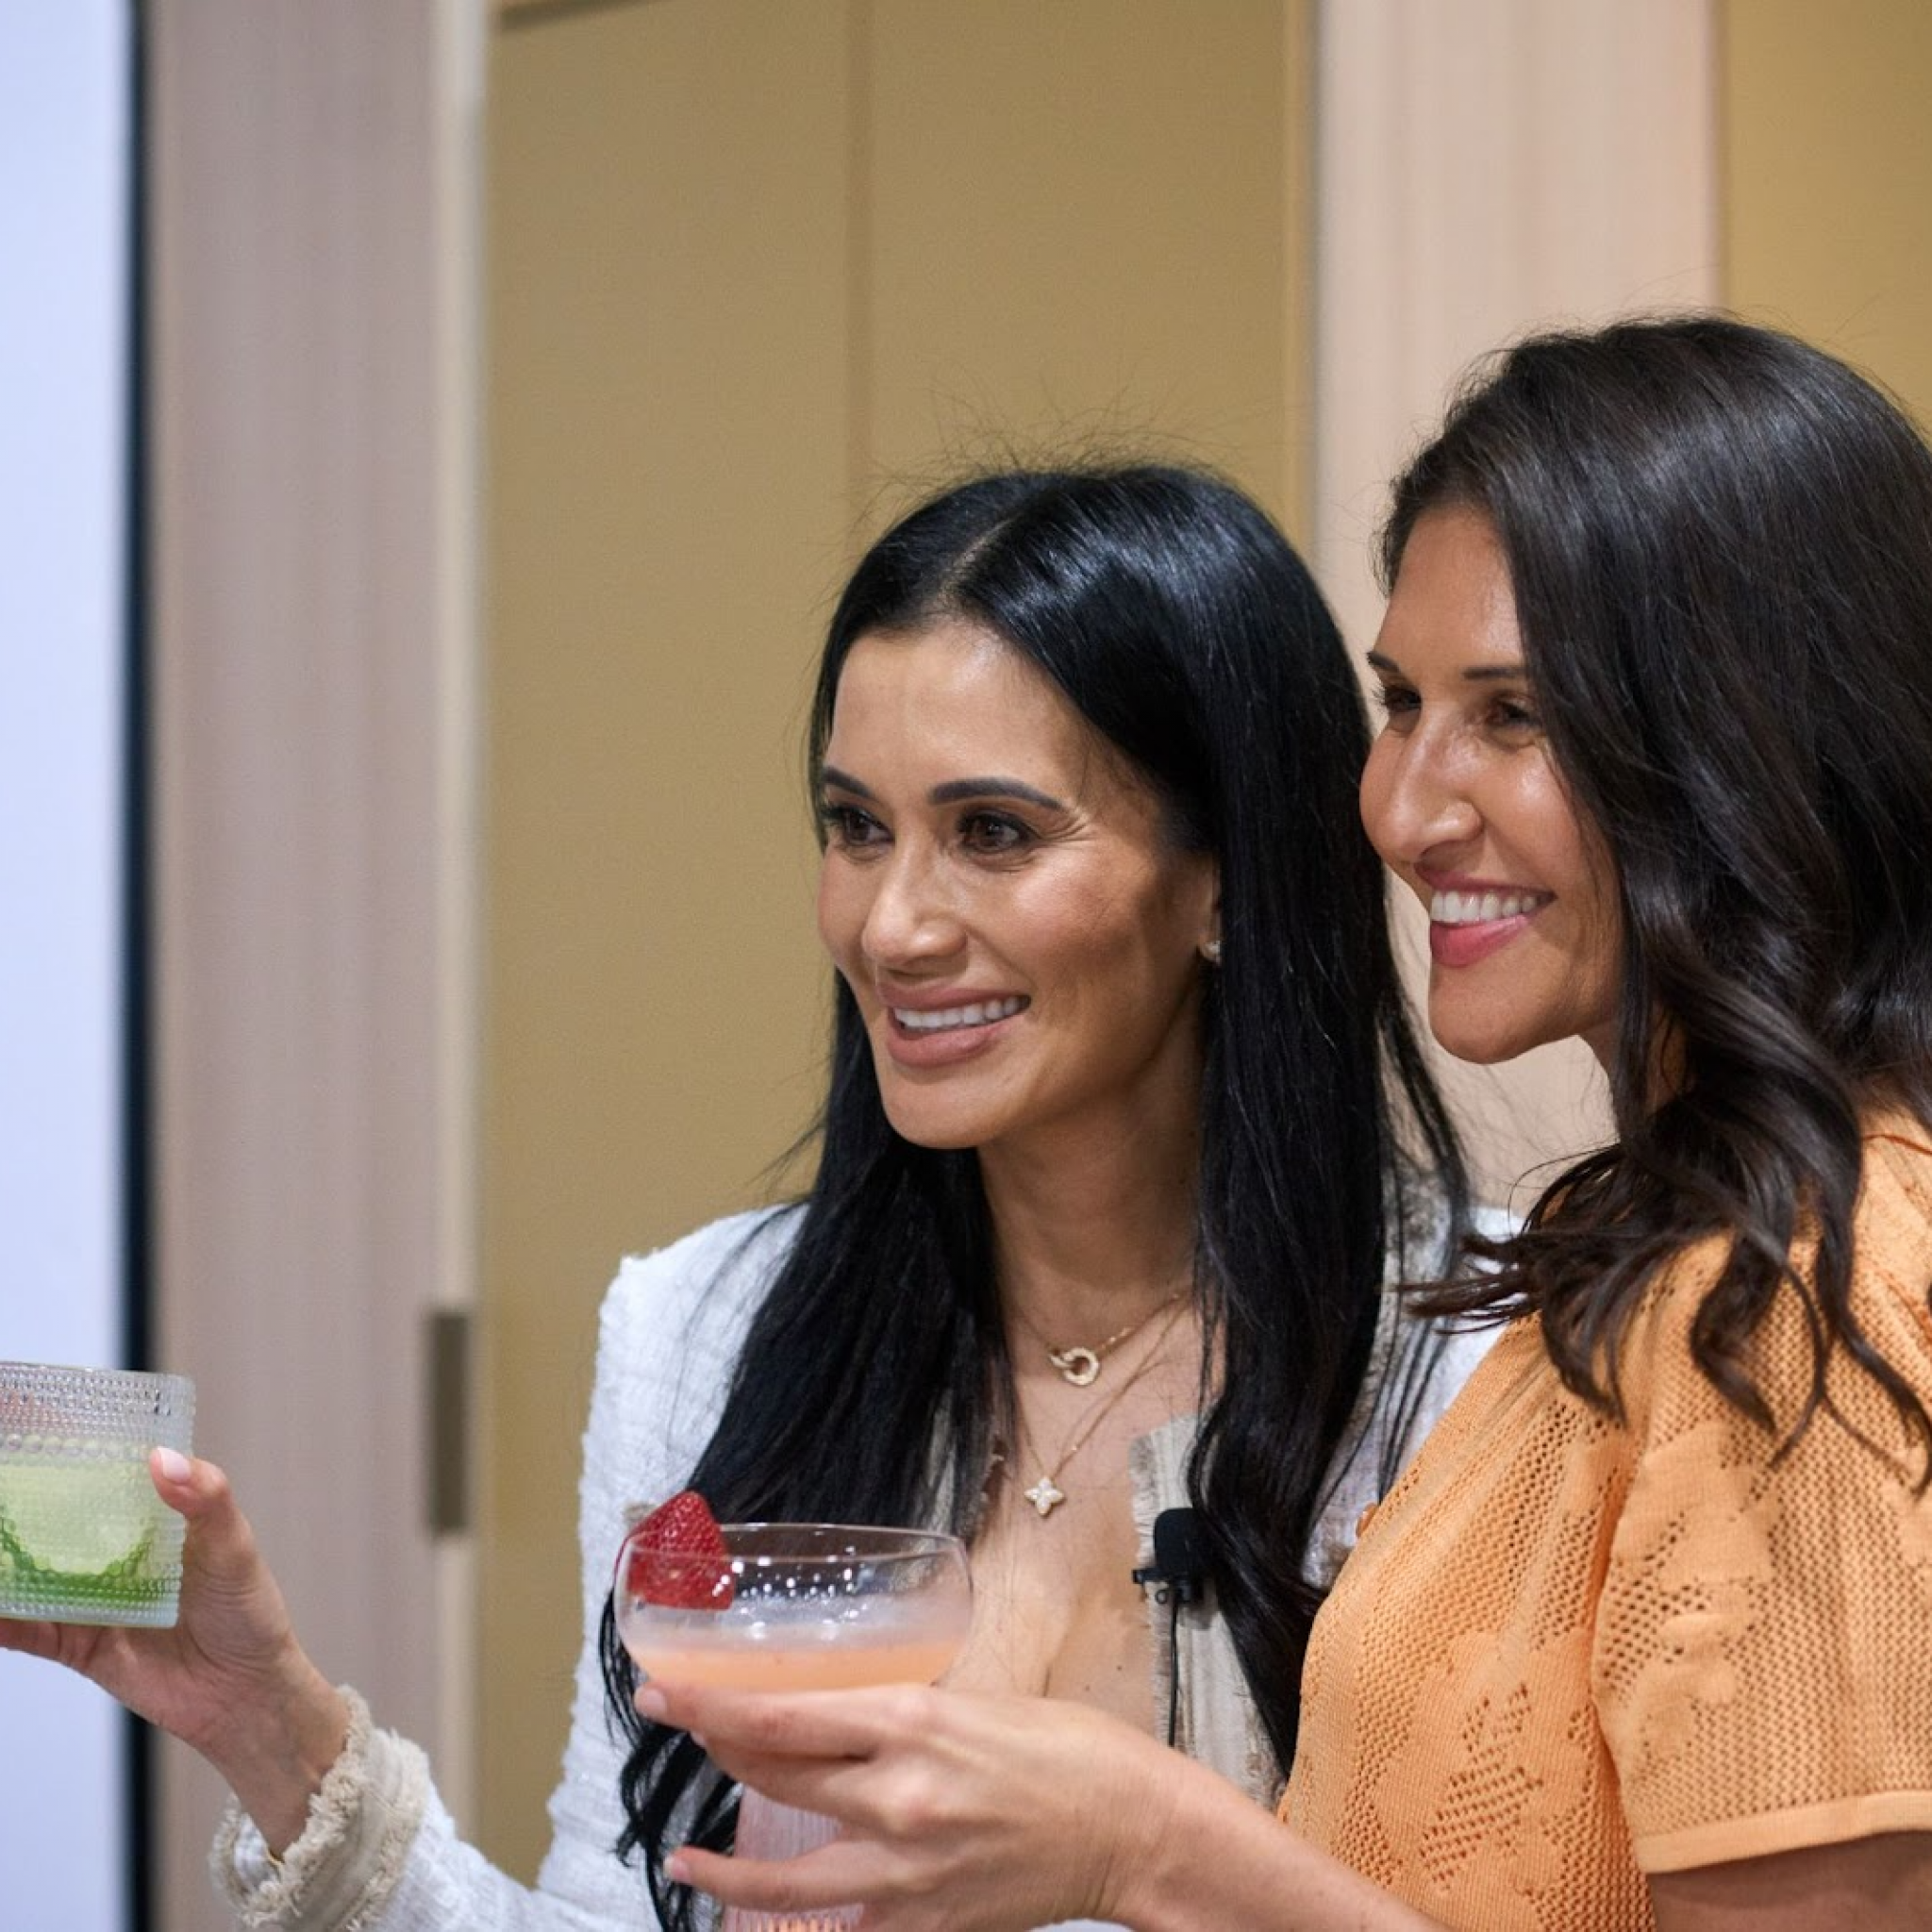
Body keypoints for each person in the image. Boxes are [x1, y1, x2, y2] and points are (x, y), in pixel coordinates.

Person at [0, 463, 1481, 1928]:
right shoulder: (707, 1332)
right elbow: (618, 1911)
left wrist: (1146, 1848)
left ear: (1225, 875)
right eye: (855, 826)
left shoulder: (1475, 1371)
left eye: (993, 833)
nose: (889, 924)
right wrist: (274, 1730)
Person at [636, 317, 1932, 1932]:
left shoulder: (1810, 1295)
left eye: (1513, 716)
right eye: (1402, 703)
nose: (1400, 806)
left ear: (1741, 737)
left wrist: (1151, 1848)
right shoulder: (1652, 1257)